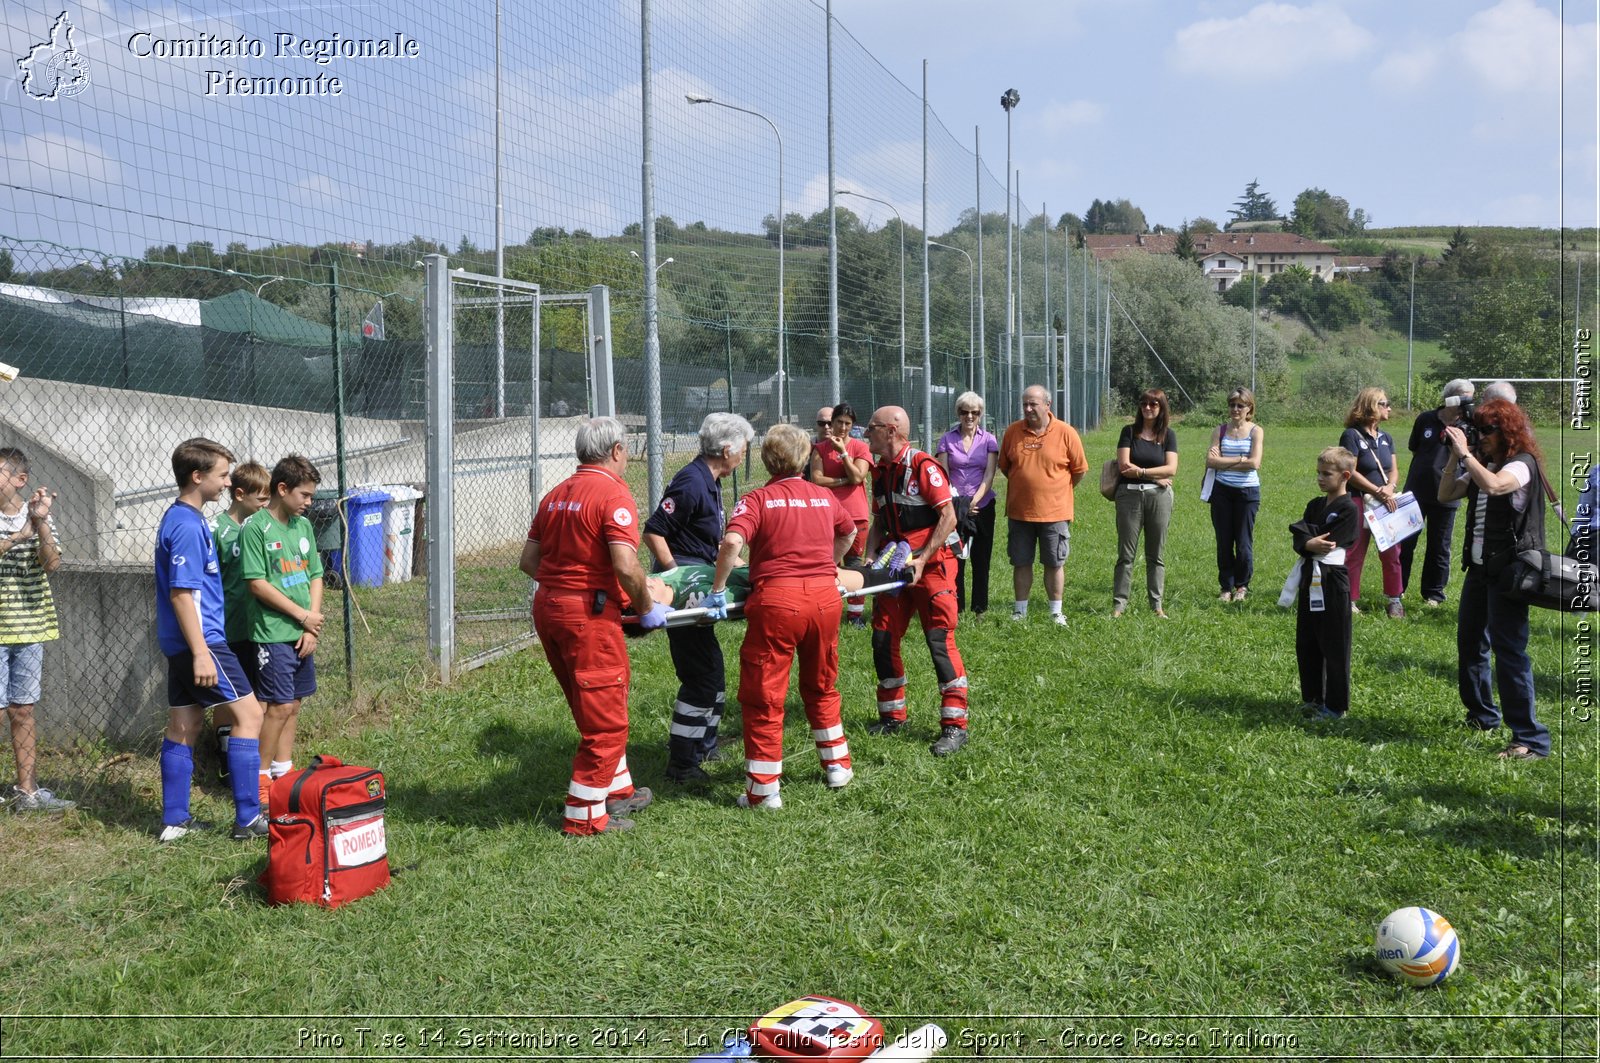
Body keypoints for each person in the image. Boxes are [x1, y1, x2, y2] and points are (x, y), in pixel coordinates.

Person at [520, 416, 669, 834]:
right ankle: (583, 817)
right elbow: (626, 566)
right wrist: (644, 607)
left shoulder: (555, 494)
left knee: (589, 703)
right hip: (588, 618)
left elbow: (529, 562)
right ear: (618, 451)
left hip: (549, 608)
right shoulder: (613, 495)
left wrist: (564, 584)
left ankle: (618, 789)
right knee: (606, 719)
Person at [703, 424, 857, 809]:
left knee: (764, 695)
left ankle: (763, 790)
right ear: (805, 459)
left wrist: (719, 589)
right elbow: (850, 531)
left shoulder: (757, 499)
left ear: (768, 460)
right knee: (822, 684)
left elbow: (733, 542)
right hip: (825, 600)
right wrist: (830, 563)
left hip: (777, 603)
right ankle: (837, 765)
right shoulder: (823, 496)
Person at [154, 438, 267, 841]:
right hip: (202, 642)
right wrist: (202, 653)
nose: (226, 482)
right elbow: (182, 594)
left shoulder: (184, 517)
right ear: (197, 477)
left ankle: (174, 821)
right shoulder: (185, 525)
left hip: (181, 642)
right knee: (250, 716)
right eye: (221, 475)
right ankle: (248, 818)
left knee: (184, 722)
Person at [642, 411, 754, 783]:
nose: (744, 456)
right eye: (742, 449)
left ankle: (705, 743)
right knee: (702, 677)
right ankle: (683, 762)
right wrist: (679, 575)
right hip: (685, 593)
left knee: (713, 671)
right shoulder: (691, 482)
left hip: (703, 584)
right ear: (726, 450)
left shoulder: (711, 481)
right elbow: (654, 531)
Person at [1439, 398, 1550, 759]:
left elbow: (1496, 487)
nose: (1481, 437)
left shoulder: (1522, 465)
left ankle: (1531, 739)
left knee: (1509, 652)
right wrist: (1458, 456)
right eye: (1478, 430)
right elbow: (1445, 494)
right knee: (1471, 644)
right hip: (1480, 570)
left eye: (1488, 430)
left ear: (1508, 431)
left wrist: (1466, 455)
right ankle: (1483, 715)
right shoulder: (1482, 462)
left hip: (1511, 573)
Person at [864, 405, 970, 756]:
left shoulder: (923, 466)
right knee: (882, 636)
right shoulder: (879, 471)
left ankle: (955, 726)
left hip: (933, 565)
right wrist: (869, 556)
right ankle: (893, 717)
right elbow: (878, 518)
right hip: (896, 568)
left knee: (939, 640)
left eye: (872, 428)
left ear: (892, 431)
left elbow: (949, 516)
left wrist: (923, 557)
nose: (866, 434)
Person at [240, 455, 326, 810]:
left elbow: (316, 575)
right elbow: (257, 584)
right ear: (282, 489)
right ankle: (258, 777)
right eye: (304, 495)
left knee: (294, 704)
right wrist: (301, 616)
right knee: (277, 706)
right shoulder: (256, 528)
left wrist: (313, 623)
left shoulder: (303, 527)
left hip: (304, 632)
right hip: (273, 633)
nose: (309, 502)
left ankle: (283, 770)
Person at [0, 448, 70, 813]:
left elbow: (52, 562)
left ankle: (27, 790)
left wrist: (40, 524)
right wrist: (18, 535)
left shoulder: (36, 516)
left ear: (19, 480)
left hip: (29, 627)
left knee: (22, 709)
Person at [998, 385, 1088, 624]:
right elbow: (1006, 467)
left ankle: (1056, 612)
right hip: (1020, 512)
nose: (1028, 409)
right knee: (1021, 562)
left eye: (1033, 404)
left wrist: (1054, 490)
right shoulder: (1012, 432)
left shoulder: (1066, 432)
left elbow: (1078, 471)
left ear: (1048, 405)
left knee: (1054, 562)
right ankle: (1020, 611)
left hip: (1055, 513)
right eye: (1025, 404)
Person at [210, 460, 269, 782]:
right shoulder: (217, 530)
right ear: (240, 494)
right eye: (261, 500)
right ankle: (222, 752)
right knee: (228, 694)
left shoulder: (259, 529)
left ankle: (249, 751)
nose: (265, 506)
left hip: (255, 625)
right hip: (226, 626)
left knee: (255, 691)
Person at [1293, 447, 1361, 721]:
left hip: (1333, 579)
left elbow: (1331, 541)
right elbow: (1300, 532)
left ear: (1345, 476)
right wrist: (1307, 542)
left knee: (1334, 641)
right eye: (1318, 473)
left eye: (1327, 474)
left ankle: (1335, 705)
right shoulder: (1315, 505)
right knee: (1307, 639)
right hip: (1310, 576)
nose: (1321, 478)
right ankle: (1312, 697)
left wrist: (1308, 540)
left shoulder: (1349, 509)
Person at [1399, 380, 1474, 608]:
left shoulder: (1469, 425)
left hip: (1447, 494)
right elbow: (1414, 448)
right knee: (1405, 543)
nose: (1468, 403)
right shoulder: (1426, 419)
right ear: (1450, 398)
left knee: (1439, 545)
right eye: (1464, 397)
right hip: (1416, 491)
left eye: (1471, 398)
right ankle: (1397, 589)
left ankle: (1433, 594)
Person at [1112, 389, 1179, 618]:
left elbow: (1171, 469)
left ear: (1161, 408)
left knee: (1156, 555)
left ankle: (1157, 606)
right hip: (1129, 496)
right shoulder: (1129, 432)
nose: (1148, 408)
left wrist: (1140, 471)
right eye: (1143, 404)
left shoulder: (1168, 435)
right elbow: (1124, 467)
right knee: (1125, 554)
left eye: (1153, 404)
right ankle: (1119, 605)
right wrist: (1153, 476)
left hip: (1159, 499)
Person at [1339, 387, 1404, 618]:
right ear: (1370, 406)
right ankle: (1349, 600)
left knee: (1392, 551)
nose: (1389, 408)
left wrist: (1389, 489)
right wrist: (1377, 490)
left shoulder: (1386, 437)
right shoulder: (1351, 435)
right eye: (1384, 403)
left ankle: (1395, 599)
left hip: (1386, 501)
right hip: (1358, 499)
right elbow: (1350, 470)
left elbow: (1393, 470)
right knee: (1355, 551)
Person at [808, 402, 874, 625]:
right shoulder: (820, 449)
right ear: (832, 423)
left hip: (856, 516)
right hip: (826, 514)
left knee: (854, 564)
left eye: (847, 424)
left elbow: (858, 476)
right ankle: (826, 608)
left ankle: (855, 615)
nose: (842, 428)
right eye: (838, 422)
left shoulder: (860, 448)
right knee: (826, 563)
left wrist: (844, 454)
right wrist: (843, 480)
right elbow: (817, 479)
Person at [936, 391, 999, 614]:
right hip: (954, 506)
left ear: (980, 414)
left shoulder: (989, 440)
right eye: (964, 412)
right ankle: (956, 607)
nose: (969, 416)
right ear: (958, 413)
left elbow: (989, 475)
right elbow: (943, 474)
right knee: (955, 559)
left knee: (981, 559)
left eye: (974, 412)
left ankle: (980, 609)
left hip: (983, 505)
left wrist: (974, 501)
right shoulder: (946, 439)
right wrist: (959, 503)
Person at [1206, 387, 1263, 603]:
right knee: (1223, 541)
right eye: (1232, 405)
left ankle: (1242, 586)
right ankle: (1226, 587)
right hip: (1221, 492)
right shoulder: (1219, 431)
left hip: (1247, 494)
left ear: (1249, 408)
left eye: (1240, 405)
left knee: (1243, 542)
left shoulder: (1256, 431)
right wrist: (1241, 459)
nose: (1235, 409)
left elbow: (1255, 463)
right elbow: (1211, 461)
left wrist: (1226, 462)